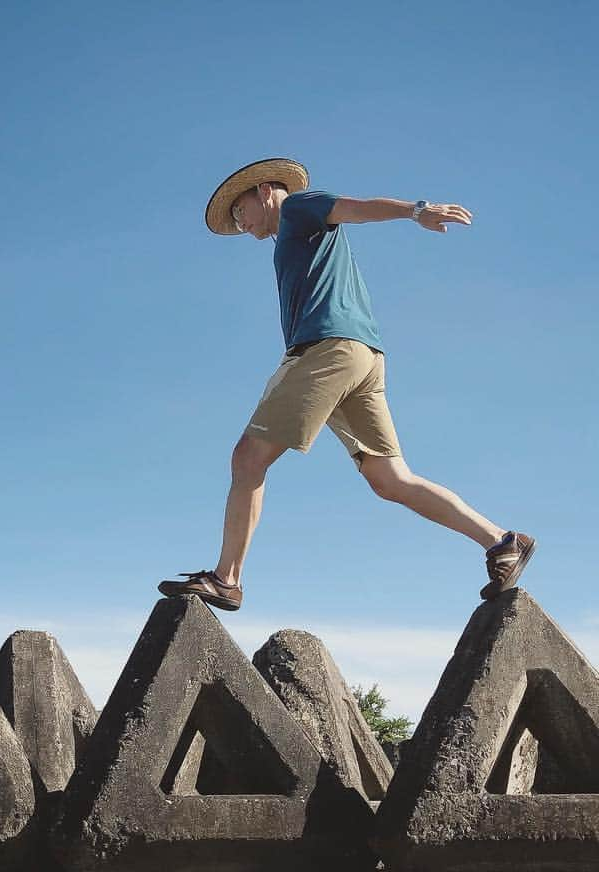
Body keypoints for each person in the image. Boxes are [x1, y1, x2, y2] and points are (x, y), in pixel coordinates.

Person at [158, 157, 535, 612]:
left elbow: (354, 208)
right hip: (363, 357)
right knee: (391, 479)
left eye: (239, 210)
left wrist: (416, 210)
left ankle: (227, 578)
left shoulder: (297, 207)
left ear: (263, 192)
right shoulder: (296, 236)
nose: (238, 223)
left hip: (328, 349)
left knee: (249, 457)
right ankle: (502, 541)